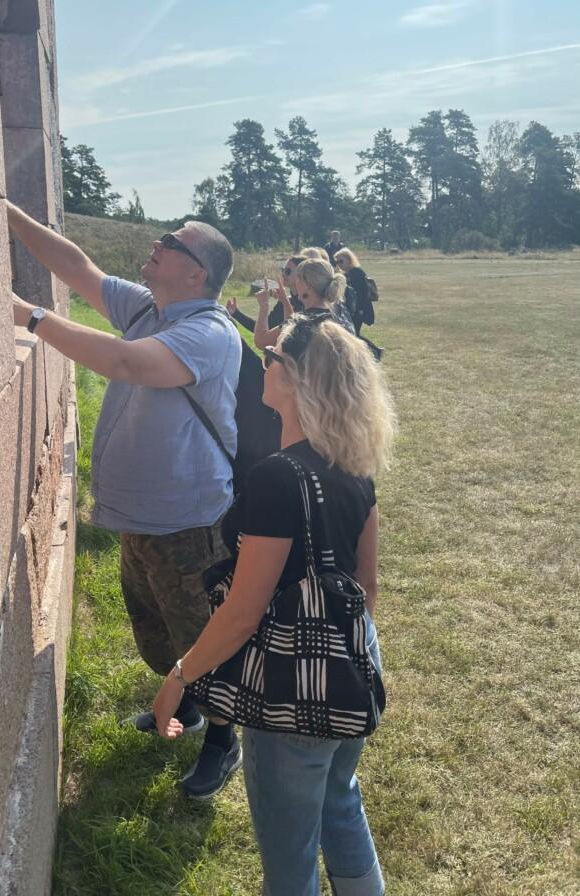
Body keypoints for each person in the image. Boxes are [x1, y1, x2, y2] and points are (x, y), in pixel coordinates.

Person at [152, 315, 395, 896]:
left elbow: (242, 613)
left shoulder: (278, 479)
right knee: (341, 804)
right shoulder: (354, 468)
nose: (264, 361)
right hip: (352, 671)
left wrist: (180, 676)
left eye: (273, 357)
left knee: (289, 862)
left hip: (294, 691)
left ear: (297, 380)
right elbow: (367, 588)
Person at [7, 204, 243, 796]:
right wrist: (6, 211)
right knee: (155, 629)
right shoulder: (147, 306)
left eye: (173, 242)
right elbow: (77, 266)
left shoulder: (209, 333)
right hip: (141, 518)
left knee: (201, 634)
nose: (158, 243)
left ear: (199, 275)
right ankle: (184, 709)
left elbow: (124, 362)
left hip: (187, 521)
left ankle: (223, 739)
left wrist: (29, 316)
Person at [253, 259, 353, 349]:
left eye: (299, 278)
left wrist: (264, 305)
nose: (297, 282)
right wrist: (285, 301)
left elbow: (261, 341)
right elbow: (289, 325)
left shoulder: (301, 325)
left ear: (307, 285)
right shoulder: (339, 314)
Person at [226, 255, 304, 332]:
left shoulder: (308, 303)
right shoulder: (284, 301)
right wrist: (236, 313)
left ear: (301, 275)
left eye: (288, 271)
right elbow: (263, 329)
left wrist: (264, 306)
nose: (283, 274)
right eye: (282, 270)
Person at [335, 247, 374, 336]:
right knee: (352, 334)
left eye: (341, 261)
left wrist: (359, 310)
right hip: (350, 309)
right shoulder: (345, 274)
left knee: (353, 334)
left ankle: (375, 350)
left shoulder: (356, 273)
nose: (339, 264)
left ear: (349, 260)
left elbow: (361, 294)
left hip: (358, 309)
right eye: (337, 262)